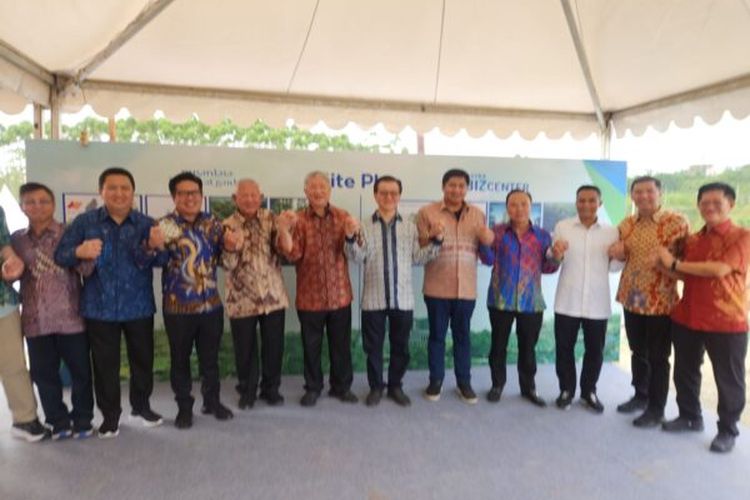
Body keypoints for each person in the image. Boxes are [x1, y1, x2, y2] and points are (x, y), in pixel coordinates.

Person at [55, 167, 163, 439]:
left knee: (143, 361)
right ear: (101, 191)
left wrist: (155, 246)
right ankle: (110, 417)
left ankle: (141, 407)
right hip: (99, 307)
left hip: (139, 306)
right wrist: (79, 250)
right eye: (112, 187)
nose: (119, 193)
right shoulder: (85, 222)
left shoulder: (146, 223)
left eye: (125, 188)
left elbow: (163, 260)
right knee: (105, 366)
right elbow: (61, 255)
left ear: (133, 192)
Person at [656, 182, 749, 453]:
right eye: (705, 202)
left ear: (731, 204)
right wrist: (664, 267)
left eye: (717, 202)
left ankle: (727, 431)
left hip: (727, 321)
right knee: (685, 371)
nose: (710, 207)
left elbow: (719, 269)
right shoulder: (693, 240)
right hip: (688, 316)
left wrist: (673, 263)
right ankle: (689, 417)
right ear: (698, 205)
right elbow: (688, 274)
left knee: (728, 380)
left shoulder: (742, 237)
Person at [345, 175, 442, 406]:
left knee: (401, 347)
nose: (389, 197)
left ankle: (395, 386)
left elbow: (418, 257)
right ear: (375, 195)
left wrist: (437, 241)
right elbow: (356, 256)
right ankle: (376, 387)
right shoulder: (363, 226)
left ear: (399, 196)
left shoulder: (410, 226)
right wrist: (349, 238)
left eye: (393, 193)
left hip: (403, 298)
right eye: (383, 192)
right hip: (373, 299)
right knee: (373, 348)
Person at [148, 171, 234, 429]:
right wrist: (154, 246)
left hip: (211, 305)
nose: (189, 198)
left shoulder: (213, 223)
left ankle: (212, 401)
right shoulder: (164, 226)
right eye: (183, 193)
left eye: (194, 193)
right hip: (179, 308)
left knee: (210, 359)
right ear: (174, 197)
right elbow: (157, 262)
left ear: (201, 195)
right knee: (180, 359)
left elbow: (226, 260)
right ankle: (184, 407)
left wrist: (232, 245)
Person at [12, 183, 94, 439]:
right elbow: (10, 273)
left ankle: (83, 419)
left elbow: (87, 270)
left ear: (53, 204)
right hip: (35, 320)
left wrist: (83, 254)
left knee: (81, 372)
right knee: (43, 374)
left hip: (71, 317)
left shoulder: (70, 233)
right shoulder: (16, 240)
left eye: (43, 201)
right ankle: (58, 421)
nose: (37, 206)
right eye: (30, 201)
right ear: (22, 206)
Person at [609, 176, 689, 428]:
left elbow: (687, 263)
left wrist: (669, 266)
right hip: (631, 297)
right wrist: (617, 251)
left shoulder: (676, 223)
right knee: (638, 351)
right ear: (632, 196)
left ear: (659, 193)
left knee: (658, 356)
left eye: (649, 191)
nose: (643, 196)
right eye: (638, 192)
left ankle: (656, 408)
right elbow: (619, 253)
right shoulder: (627, 224)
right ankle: (640, 395)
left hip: (660, 301)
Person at [277, 171, 358, 407]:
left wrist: (351, 234)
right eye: (313, 187)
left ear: (330, 190)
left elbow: (355, 252)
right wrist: (283, 230)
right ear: (306, 191)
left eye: (322, 187)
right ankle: (313, 387)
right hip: (310, 298)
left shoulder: (343, 216)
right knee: (311, 347)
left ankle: (342, 387)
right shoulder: (299, 220)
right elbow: (292, 254)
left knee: (341, 347)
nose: (318, 191)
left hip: (340, 296)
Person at [416, 168, 495, 404]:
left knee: (463, 338)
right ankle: (435, 381)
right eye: (452, 185)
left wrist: (487, 242)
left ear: (466, 188)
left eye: (461, 186)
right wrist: (432, 236)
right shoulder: (427, 212)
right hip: (436, 287)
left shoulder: (478, 215)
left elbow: (486, 255)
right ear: (443, 187)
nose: (456, 190)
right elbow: (419, 251)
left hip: (466, 289)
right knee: (436, 337)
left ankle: (464, 383)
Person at [479, 189, 563, 407]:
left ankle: (528, 388)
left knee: (528, 348)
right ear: (507, 208)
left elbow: (548, 268)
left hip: (531, 302)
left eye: (524, 204)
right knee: (498, 346)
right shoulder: (497, 232)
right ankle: (497, 385)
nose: (519, 209)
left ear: (530, 207)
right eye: (514, 204)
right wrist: (484, 243)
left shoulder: (542, 236)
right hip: (500, 299)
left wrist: (557, 257)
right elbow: (488, 260)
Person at [551, 185, 622, 413]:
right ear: (576, 202)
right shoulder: (563, 227)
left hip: (597, 302)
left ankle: (589, 391)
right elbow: (555, 259)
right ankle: (566, 390)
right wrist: (556, 253)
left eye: (592, 200)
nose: (586, 205)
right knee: (564, 349)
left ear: (600, 204)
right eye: (582, 200)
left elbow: (615, 267)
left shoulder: (611, 232)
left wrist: (618, 256)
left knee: (595, 351)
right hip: (567, 300)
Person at [222, 179, 289, 409]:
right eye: (244, 195)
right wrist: (231, 247)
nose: (249, 199)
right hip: (241, 299)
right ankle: (247, 391)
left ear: (260, 197)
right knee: (245, 349)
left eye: (254, 195)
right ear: (235, 199)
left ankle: (271, 389)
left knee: (274, 347)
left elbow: (285, 251)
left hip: (273, 296)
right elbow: (227, 265)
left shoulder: (272, 219)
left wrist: (284, 229)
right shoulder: (227, 225)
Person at [0, 205, 46, 442]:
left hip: (2, 303)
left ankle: (25, 419)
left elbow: (4, 244)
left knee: (14, 363)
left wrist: (12, 260)